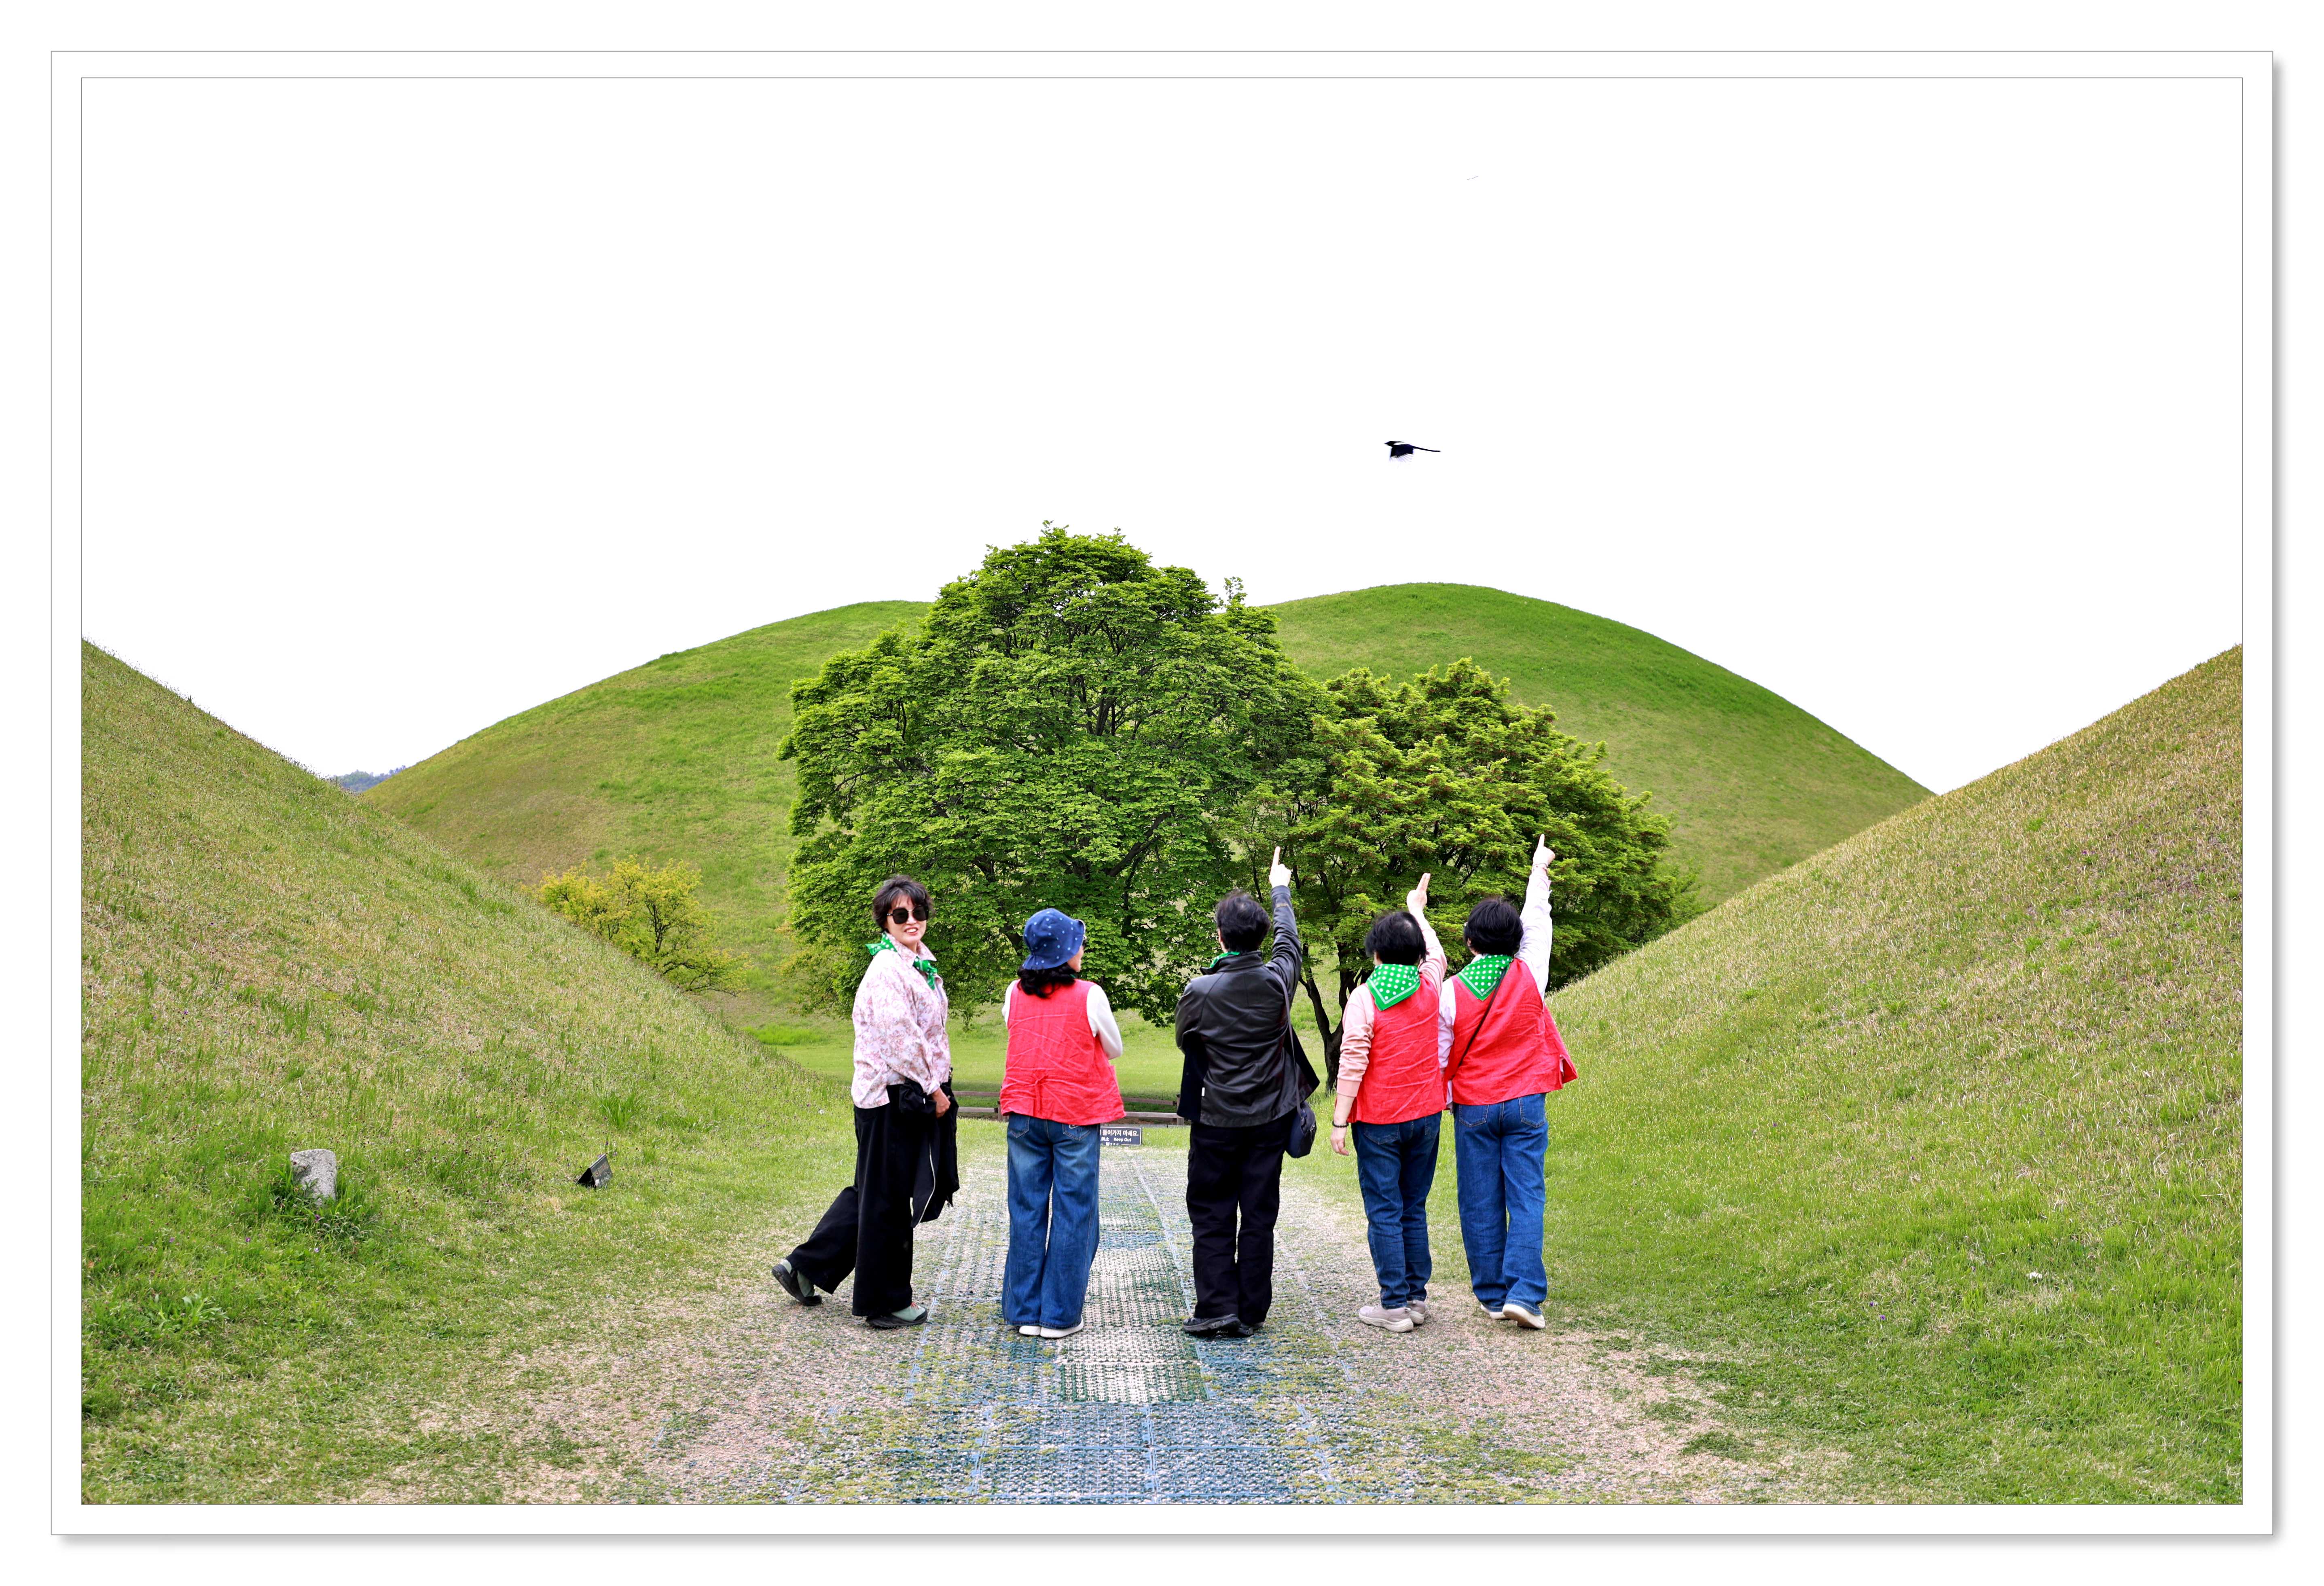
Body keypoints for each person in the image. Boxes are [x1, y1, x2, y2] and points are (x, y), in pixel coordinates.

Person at [771, 875, 959, 1330]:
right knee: (888, 1201)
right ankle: (885, 1302)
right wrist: (934, 1089)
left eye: (918, 912)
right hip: (894, 1097)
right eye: (901, 914)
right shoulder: (887, 970)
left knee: (873, 1191)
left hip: (903, 1094)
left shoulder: (919, 964)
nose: (912, 920)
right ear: (885, 921)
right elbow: (901, 1041)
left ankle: (805, 1267)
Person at [1173, 847, 1317, 1338]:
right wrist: (1281, 889)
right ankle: (1252, 1310)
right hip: (1270, 1118)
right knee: (1258, 1213)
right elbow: (1290, 942)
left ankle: (1217, 1306)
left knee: (1211, 1210)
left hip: (1216, 1118)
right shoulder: (1278, 981)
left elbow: (1185, 1040)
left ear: (1220, 936)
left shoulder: (1199, 990)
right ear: (1260, 937)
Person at [1440, 836, 1576, 1331]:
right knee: (1527, 1196)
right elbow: (1538, 920)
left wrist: (1444, 1099)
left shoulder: (1450, 992)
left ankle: (1493, 1294)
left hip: (1473, 1105)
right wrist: (1538, 870)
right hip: (1525, 1101)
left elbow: (1440, 1057)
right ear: (1514, 939)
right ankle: (1526, 1294)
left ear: (1469, 942)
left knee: (1479, 1199)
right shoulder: (1530, 971)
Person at [998, 907, 1126, 1342]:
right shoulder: (1091, 994)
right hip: (1075, 1112)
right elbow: (1114, 1047)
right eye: (1078, 943)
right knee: (1074, 1212)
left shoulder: (1014, 991)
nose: (1083, 949)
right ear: (1065, 952)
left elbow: (1017, 1030)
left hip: (1024, 1111)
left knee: (1026, 1209)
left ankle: (1024, 1310)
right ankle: (1058, 1315)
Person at [1329, 871, 1449, 1334]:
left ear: (1375, 955)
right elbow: (1438, 954)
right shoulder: (1430, 984)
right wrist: (1417, 910)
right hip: (1427, 1115)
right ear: (1417, 955)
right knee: (1413, 1206)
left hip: (1378, 1120)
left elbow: (1353, 1060)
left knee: (1384, 1208)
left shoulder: (1365, 998)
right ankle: (1415, 1299)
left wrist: (1339, 1120)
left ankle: (1393, 1305)